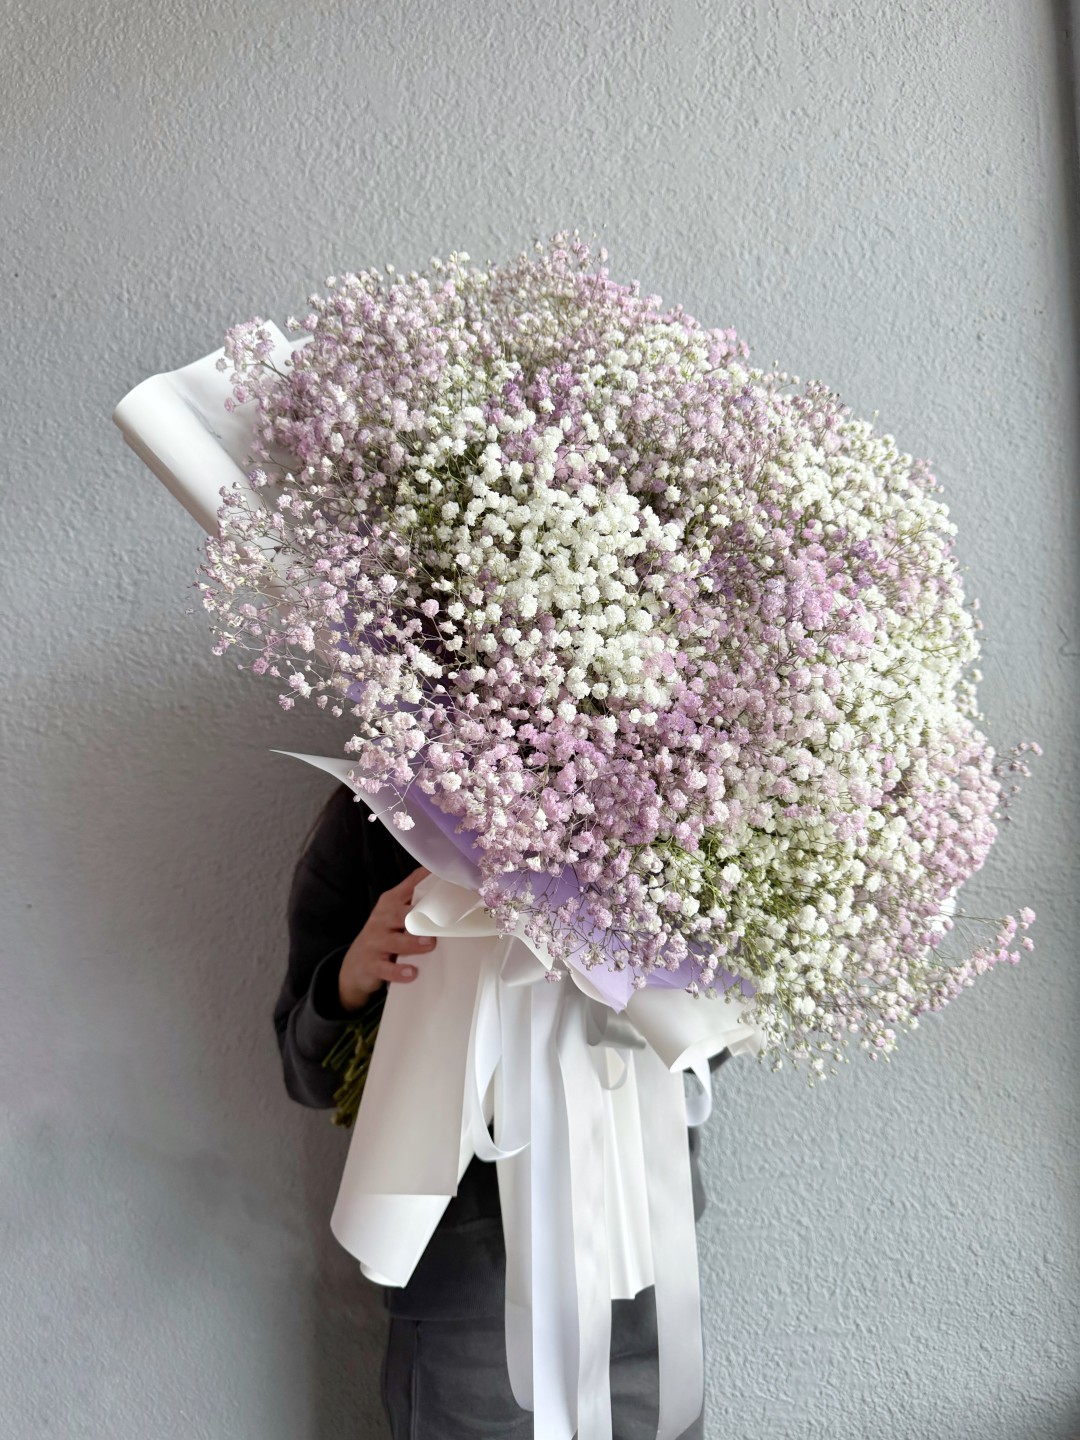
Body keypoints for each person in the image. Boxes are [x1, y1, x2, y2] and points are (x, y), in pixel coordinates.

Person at [274, 781, 729, 1439]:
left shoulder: (680, 788)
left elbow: (704, 1052)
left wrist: (647, 995)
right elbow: (306, 1073)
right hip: (472, 1293)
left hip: (643, 1275)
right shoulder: (387, 805)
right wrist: (353, 977)